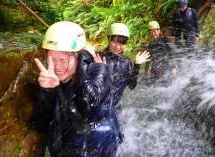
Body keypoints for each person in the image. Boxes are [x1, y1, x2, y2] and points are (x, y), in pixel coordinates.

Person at [31, 21, 121, 157]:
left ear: (78, 56)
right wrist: (47, 91)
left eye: (63, 60)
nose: (57, 67)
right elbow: (39, 124)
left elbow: (89, 105)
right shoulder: (48, 79)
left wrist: (69, 79)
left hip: (99, 146)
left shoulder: (98, 69)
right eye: (51, 59)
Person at [99, 22, 150, 108]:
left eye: (122, 43)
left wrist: (137, 66)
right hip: (97, 109)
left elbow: (131, 86)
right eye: (115, 41)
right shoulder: (98, 58)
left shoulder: (126, 62)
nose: (118, 47)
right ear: (109, 39)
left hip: (115, 108)